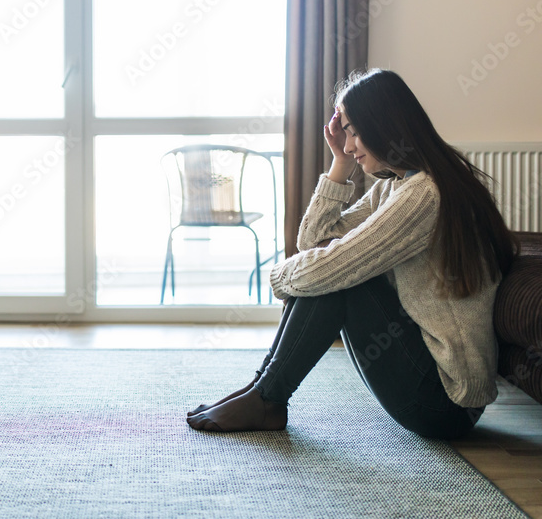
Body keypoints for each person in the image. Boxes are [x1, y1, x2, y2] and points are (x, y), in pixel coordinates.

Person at [186, 68, 519, 438]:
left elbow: (328, 265)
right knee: (333, 270)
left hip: (445, 403)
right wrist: (339, 167)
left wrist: (278, 277)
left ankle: (266, 397)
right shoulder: (397, 185)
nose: (348, 146)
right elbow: (314, 242)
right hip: (432, 385)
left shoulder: (424, 194)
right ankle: (263, 391)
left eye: (356, 133)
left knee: (338, 277)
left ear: (385, 126)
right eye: (346, 134)